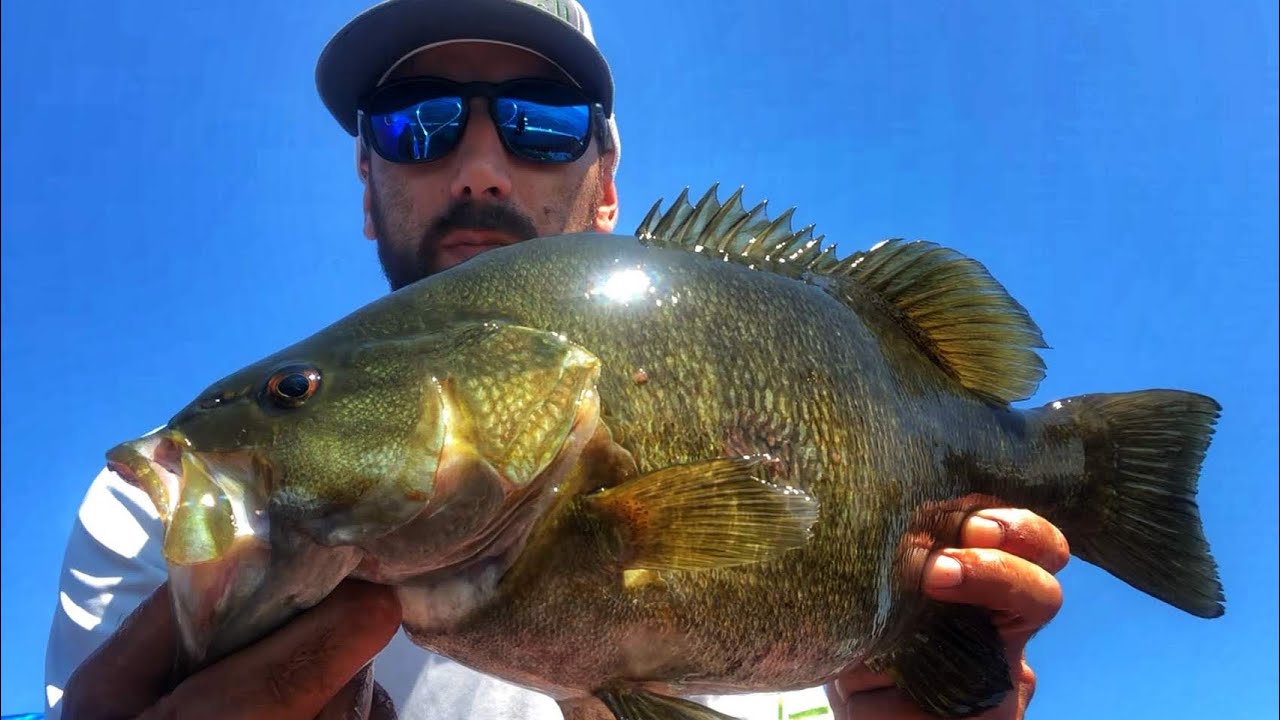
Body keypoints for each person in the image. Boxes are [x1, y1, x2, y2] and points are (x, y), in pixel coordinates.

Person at [46, 1, 1071, 718]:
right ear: (367, 185)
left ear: (606, 178)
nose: (481, 166)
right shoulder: (157, 520)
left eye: (541, 122)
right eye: (418, 125)